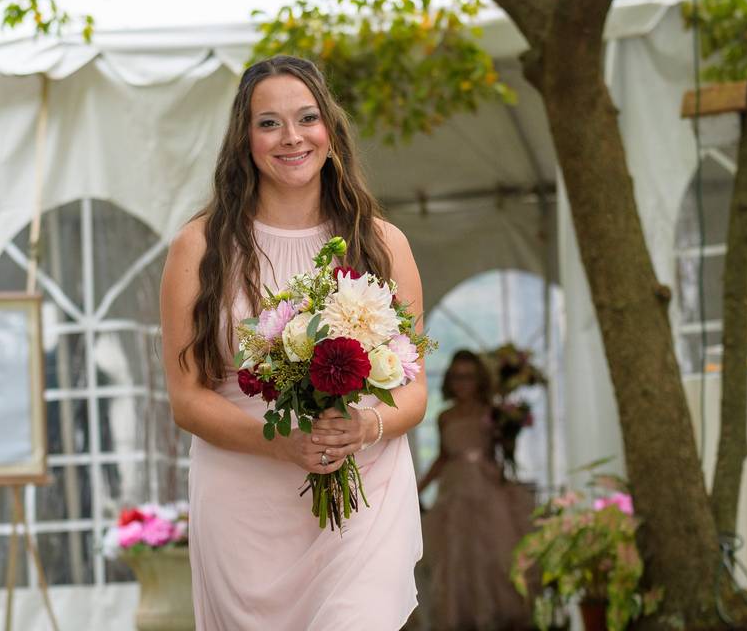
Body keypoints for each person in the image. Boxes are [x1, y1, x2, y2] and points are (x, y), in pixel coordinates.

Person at [159, 55, 427, 630]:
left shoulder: (381, 243)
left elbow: (414, 388)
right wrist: (279, 443)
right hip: (244, 501)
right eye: (269, 123)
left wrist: (364, 427)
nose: (291, 137)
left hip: (363, 488)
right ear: (244, 140)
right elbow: (186, 398)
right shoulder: (199, 247)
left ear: (330, 129)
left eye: (306, 118)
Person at [417, 350, 535, 630]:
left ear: (479, 379)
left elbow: (503, 453)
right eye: (457, 376)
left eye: (468, 376)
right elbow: (443, 456)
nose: (462, 383)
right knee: (456, 556)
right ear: (449, 379)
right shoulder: (445, 416)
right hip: (454, 488)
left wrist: (509, 429)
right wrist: (417, 487)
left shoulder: (492, 411)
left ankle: (496, 618)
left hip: (486, 487)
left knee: (494, 555)